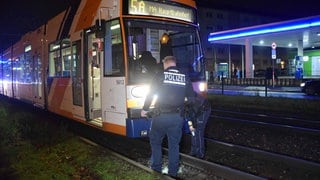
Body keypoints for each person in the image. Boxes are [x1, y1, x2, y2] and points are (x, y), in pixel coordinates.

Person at [141, 56, 195, 177]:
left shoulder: (160, 75)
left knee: (155, 142)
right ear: (175, 64)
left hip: (160, 116)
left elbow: (150, 94)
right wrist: (182, 103)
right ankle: (173, 172)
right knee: (174, 145)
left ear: (165, 64)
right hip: (177, 117)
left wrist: (144, 109)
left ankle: (156, 169)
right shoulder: (184, 77)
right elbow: (191, 98)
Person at [187, 94, 211, 159]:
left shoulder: (190, 99)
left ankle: (200, 153)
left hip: (203, 109)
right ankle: (193, 150)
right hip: (194, 111)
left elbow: (194, 112)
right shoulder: (184, 104)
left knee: (199, 131)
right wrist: (191, 125)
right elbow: (188, 116)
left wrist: (193, 123)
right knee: (192, 131)